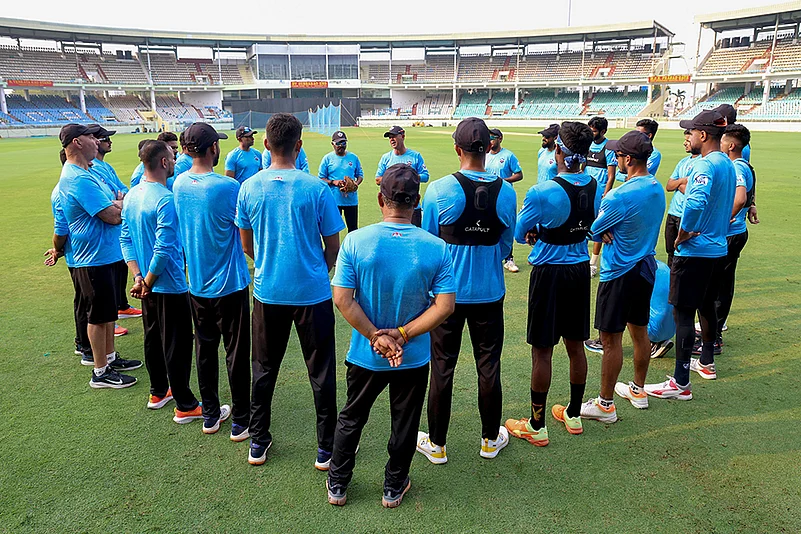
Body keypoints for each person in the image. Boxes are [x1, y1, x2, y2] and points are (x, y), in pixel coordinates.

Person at [326, 164, 456, 509]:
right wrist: (401, 334)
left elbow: (342, 299)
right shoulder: (437, 247)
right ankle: (393, 486)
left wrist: (375, 335)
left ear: (381, 198)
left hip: (366, 353)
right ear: (416, 202)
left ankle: (338, 483)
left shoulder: (356, 241)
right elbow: (444, 307)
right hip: (412, 355)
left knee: (352, 416)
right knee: (405, 421)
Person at [236, 113, 344, 467]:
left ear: (266, 144)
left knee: (264, 369)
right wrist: (317, 267)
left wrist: (269, 261)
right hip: (312, 293)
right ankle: (326, 448)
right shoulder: (317, 189)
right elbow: (333, 245)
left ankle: (258, 440)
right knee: (322, 372)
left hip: (268, 292)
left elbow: (246, 243)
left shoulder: (249, 187)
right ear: (299, 145)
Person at [417, 118, 516, 462]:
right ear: (489, 147)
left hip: (446, 298)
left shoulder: (439, 189)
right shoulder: (507, 191)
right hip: (489, 292)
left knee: (442, 366)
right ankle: (490, 440)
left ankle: (437, 444)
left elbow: (429, 245)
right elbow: (506, 246)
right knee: (488, 365)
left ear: (457, 149)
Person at [504, 121, 598, 445]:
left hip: (549, 274)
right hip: (579, 270)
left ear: (558, 149)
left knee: (542, 351)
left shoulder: (542, 191)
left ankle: (537, 424)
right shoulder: (594, 184)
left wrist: (539, 232)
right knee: (575, 346)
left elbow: (519, 233)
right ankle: (573, 414)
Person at [645, 110, 735, 397]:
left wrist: (684, 233)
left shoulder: (704, 165)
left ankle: (680, 381)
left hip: (695, 250)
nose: (689, 136)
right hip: (717, 249)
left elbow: (695, 203)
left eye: (691, 132)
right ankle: (706, 362)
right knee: (706, 306)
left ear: (703, 135)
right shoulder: (727, 164)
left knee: (683, 314)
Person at [579, 130, 665, 422]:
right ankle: (638, 390)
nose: (615, 158)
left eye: (617, 156)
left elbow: (593, 228)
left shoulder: (620, 196)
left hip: (619, 273)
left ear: (628, 159)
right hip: (645, 269)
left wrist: (601, 230)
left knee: (611, 339)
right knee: (639, 332)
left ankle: (605, 405)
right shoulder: (655, 187)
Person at [174, 123, 252, 438]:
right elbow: (246, 228)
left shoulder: (179, 183)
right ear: (212, 149)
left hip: (197, 283)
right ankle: (242, 420)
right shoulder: (226, 187)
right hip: (230, 283)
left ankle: (209, 414)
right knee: (236, 351)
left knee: (205, 350)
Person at [121, 140, 203, 421]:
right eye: (172, 155)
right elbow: (164, 246)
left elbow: (126, 240)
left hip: (146, 284)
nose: (175, 158)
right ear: (165, 163)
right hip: (167, 283)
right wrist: (149, 280)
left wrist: (138, 277)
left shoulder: (132, 195)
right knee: (177, 343)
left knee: (154, 336)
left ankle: (158, 392)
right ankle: (185, 405)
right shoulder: (165, 198)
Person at [56, 124, 139, 389]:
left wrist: (118, 203)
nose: (96, 141)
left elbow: (116, 201)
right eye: (91, 137)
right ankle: (100, 372)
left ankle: (110, 358)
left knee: (107, 312)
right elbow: (112, 215)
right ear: (77, 142)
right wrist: (121, 205)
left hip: (104, 254)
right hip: (91, 257)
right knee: (97, 315)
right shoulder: (77, 178)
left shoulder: (87, 173)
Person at [690, 124, 754, 365]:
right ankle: (714, 331)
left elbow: (740, 197)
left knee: (716, 287)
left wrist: (725, 217)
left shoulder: (736, 166)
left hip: (730, 232)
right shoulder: (745, 165)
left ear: (730, 145)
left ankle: (713, 336)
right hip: (736, 232)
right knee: (723, 284)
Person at [88, 125, 142, 334]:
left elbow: (124, 192)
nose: (110, 142)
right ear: (96, 142)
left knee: (119, 268)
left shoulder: (106, 166)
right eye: (105, 139)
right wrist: (118, 201)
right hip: (101, 236)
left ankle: (121, 306)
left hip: (116, 230)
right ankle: (110, 319)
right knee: (104, 281)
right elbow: (109, 200)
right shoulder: (93, 168)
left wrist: (119, 200)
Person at [485, 127, 523, 273]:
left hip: (504, 197)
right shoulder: (485, 155)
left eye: (493, 138)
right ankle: (491, 256)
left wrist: (502, 181)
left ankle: (509, 259)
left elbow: (519, 174)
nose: (490, 141)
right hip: (488, 197)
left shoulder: (508, 156)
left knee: (507, 226)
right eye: (488, 138)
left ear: (500, 139)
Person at [375, 126, 429, 227]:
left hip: (412, 207)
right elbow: (378, 179)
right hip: (392, 209)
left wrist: (409, 177)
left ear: (403, 136)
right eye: (390, 137)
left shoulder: (415, 156)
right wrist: (394, 179)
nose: (391, 139)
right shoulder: (386, 158)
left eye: (394, 136)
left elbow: (425, 176)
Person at [585, 116, 618, 278]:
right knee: (582, 225)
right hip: (586, 192)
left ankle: (593, 263)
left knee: (598, 227)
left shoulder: (609, 148)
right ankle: (582, 258)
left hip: (600, 194)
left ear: (603, 131)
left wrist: (606, 195)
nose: (591, 134)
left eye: (594, 131)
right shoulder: (587, 145)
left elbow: (611, 175)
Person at [664, 130, 698, 268]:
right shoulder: (683, 161)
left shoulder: (702, 163)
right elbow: (669, 185)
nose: (684, 143)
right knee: (670, 250)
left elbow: (691, 191)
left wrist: (679, 183)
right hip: (673, 212)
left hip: (686, 214)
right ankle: (670, 282)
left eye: (688, 141)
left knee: (684, 252)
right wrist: (683, 180)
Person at [318, 130, 364, 233]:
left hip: (351, 200)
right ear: (332, 144)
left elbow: (360, 175)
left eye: (343, 143)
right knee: (333, 230)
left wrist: (355, 184)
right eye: (338, 143)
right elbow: (321, 179)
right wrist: (333, 182)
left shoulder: (353, 157)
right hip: (334, 200)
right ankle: (334, 249)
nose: (341, 146)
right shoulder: (327, 159)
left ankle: (351, 249)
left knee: (353, 230)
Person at [648, 259, 676, 359]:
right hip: (673, 330)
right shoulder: (663, 266)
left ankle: (651, 343)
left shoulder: (637, 268)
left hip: (653, 331)